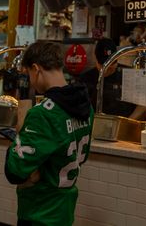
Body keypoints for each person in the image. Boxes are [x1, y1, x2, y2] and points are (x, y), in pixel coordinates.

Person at [5, 41, 94, 226]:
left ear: (36, 69)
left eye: (29, 74)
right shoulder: (86, 107)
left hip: (39, 213)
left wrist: (15, 143)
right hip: (64, 210)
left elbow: (15, 171)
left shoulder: (44, 114)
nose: (30, 80)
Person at [77, 38, 138, 117]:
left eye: (111, 64)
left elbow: (144, 103)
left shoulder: (129, 74)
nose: (107, 68)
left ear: (117, 58)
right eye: (103, 65)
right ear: (95, 58)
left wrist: (129, 122)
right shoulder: (85, 79)